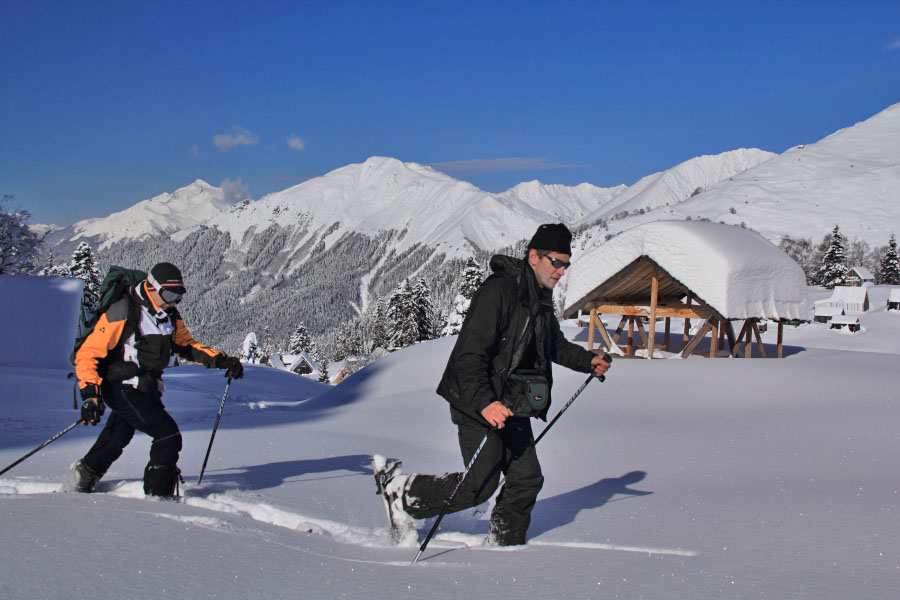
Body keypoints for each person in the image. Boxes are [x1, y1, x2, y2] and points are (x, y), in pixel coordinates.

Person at [376, 224, 611, 546]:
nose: (561, 270)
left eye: (565, 264)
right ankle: (403, 494)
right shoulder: (498, 291)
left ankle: (505, 545)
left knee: (527, 479)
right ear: (534, 256)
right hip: (476, 399)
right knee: (478, 486)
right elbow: (469, 355)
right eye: (556, 262)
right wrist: (486, 402)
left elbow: (553, 345)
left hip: (512, 401)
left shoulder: (540, 298)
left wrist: (588, 361)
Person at [67, 262, 244, 498]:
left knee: (118, 434)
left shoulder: (169, 313)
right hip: (121, 386)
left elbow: (185, 345)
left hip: (146, 387)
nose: (173, 301)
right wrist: (90, 394)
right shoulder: (123, 310)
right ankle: (158, 496)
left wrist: (222, 360)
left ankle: (84, 474)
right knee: (167, 435)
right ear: (151, 287)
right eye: (169, 294)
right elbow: (89, 353)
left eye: (178, 296)